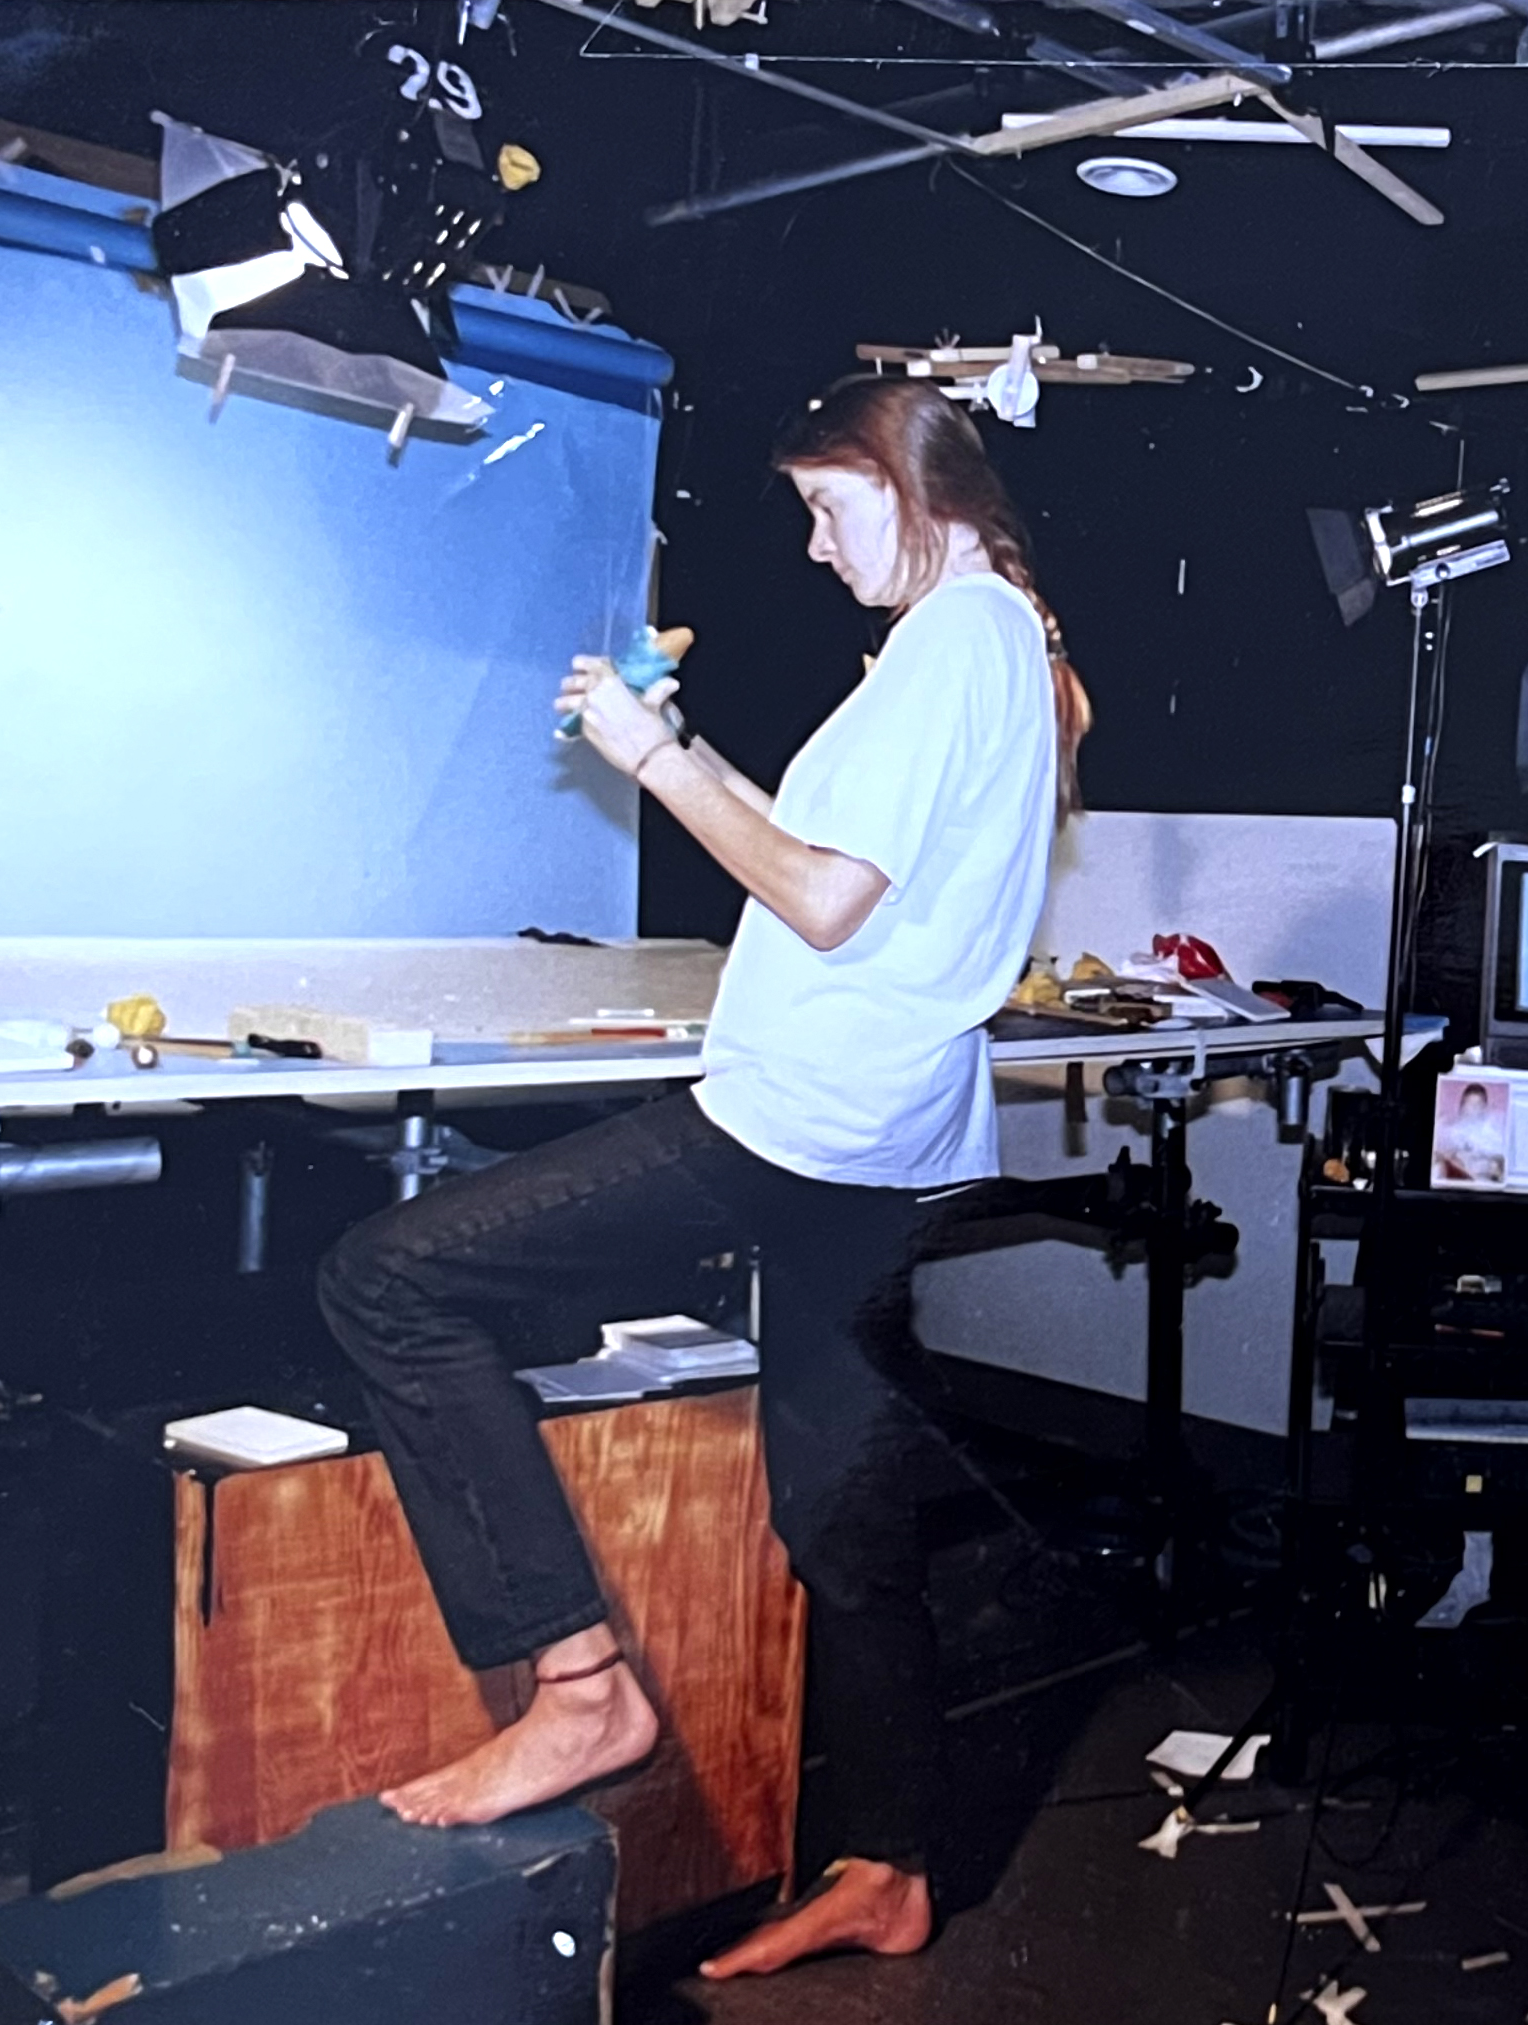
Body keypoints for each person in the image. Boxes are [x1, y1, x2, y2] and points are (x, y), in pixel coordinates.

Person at [316, 375, 1089, 1978]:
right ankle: (890, 1862)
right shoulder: (1007, 633)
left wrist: (650, 761)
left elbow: (821, 898)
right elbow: (855, 862)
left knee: (388, 1278)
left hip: (803, 1116)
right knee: (839, 1508)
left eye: (827, 506)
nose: (813, 546)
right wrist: (672, 745)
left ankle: (577, 1684)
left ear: (911, 480)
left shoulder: (953, 639)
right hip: (886, 1133)